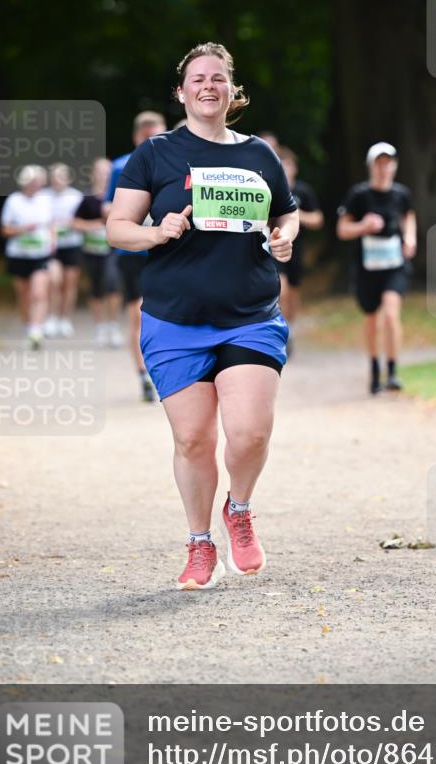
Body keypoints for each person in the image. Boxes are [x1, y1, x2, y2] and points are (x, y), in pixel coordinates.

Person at [107, 42, 298, 590]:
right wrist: (156, 232)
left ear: (232, 90)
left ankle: (238, 508)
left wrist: (286, 237)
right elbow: (118, 227)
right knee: (193, 439)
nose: (208, 86)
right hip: (174, 318)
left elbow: (287, 213)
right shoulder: (156, 153)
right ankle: (199, 542)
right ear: (181, 91)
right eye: (198, 78)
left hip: (249, 313)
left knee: (250, 433)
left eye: (219, 78)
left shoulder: (259, 154)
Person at [337, 142, 416, 394]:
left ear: (394, 166)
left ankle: (392, 372)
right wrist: (363, 226)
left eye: (388, 163)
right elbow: (342, 230)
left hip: (394, 266)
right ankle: (374, 369)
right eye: (379, 163)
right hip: (367, 267)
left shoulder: (402, 194)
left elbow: (408, 217)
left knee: (391, 315)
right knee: (372, 319)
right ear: (371, 166)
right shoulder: (359, 195)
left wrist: (410, 239)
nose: (384, 168)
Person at [105, 111, 167, 401]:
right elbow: (109, 210)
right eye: (145, 138)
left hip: (168, 250)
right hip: (132, 251)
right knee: (138, 314)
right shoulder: (121, 166)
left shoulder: (177, 163)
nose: (151, 143)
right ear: (135, 137)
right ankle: (143, 374)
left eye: (156, 136)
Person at [0, 165, 53, 349]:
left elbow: (51, 223)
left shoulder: (46, 199)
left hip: (41, 254)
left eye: (37, 182)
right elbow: (4, 230)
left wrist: (52, 241)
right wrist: (22, 229)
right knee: (24, 295)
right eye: (31, 182)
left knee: (39, 292)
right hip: (19, 254)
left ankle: (36, 330)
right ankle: (29, 326)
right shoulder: (13, 201)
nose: (34, 185)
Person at [72, 157, 123, 347]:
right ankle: (99, 327)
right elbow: (74, 222)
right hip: (92, 250)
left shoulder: (119, 197)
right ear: (93, 174)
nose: (104, 175)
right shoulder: (87, 199)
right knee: (96, 288)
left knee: (113, 284)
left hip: (114, 250)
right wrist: (91, 225)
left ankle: (113, 325)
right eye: (100, 171)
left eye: (107, 171)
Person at [276, 146, 323, 351]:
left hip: (297, 247)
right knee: (281, 288)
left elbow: (317, 219)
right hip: (275, 247)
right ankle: (279, 330)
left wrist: (295, 215)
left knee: (293, 291)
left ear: (294, 168)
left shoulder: (304, 191)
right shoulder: (271, 189)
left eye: (288, 166)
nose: (285, 170)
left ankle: (290, 330)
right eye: (281, 166)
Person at [44, 163, 83, 338]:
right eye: (54, 177)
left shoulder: (77, 197)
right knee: (54, 281)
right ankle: (52, 318)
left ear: (68, 178)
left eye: (60, 176)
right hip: (52, 246)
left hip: (73, 244)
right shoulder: (43, 196)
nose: (57, 180)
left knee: (70, 284)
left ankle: (65, 319)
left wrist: (74, 224)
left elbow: (84, 219)